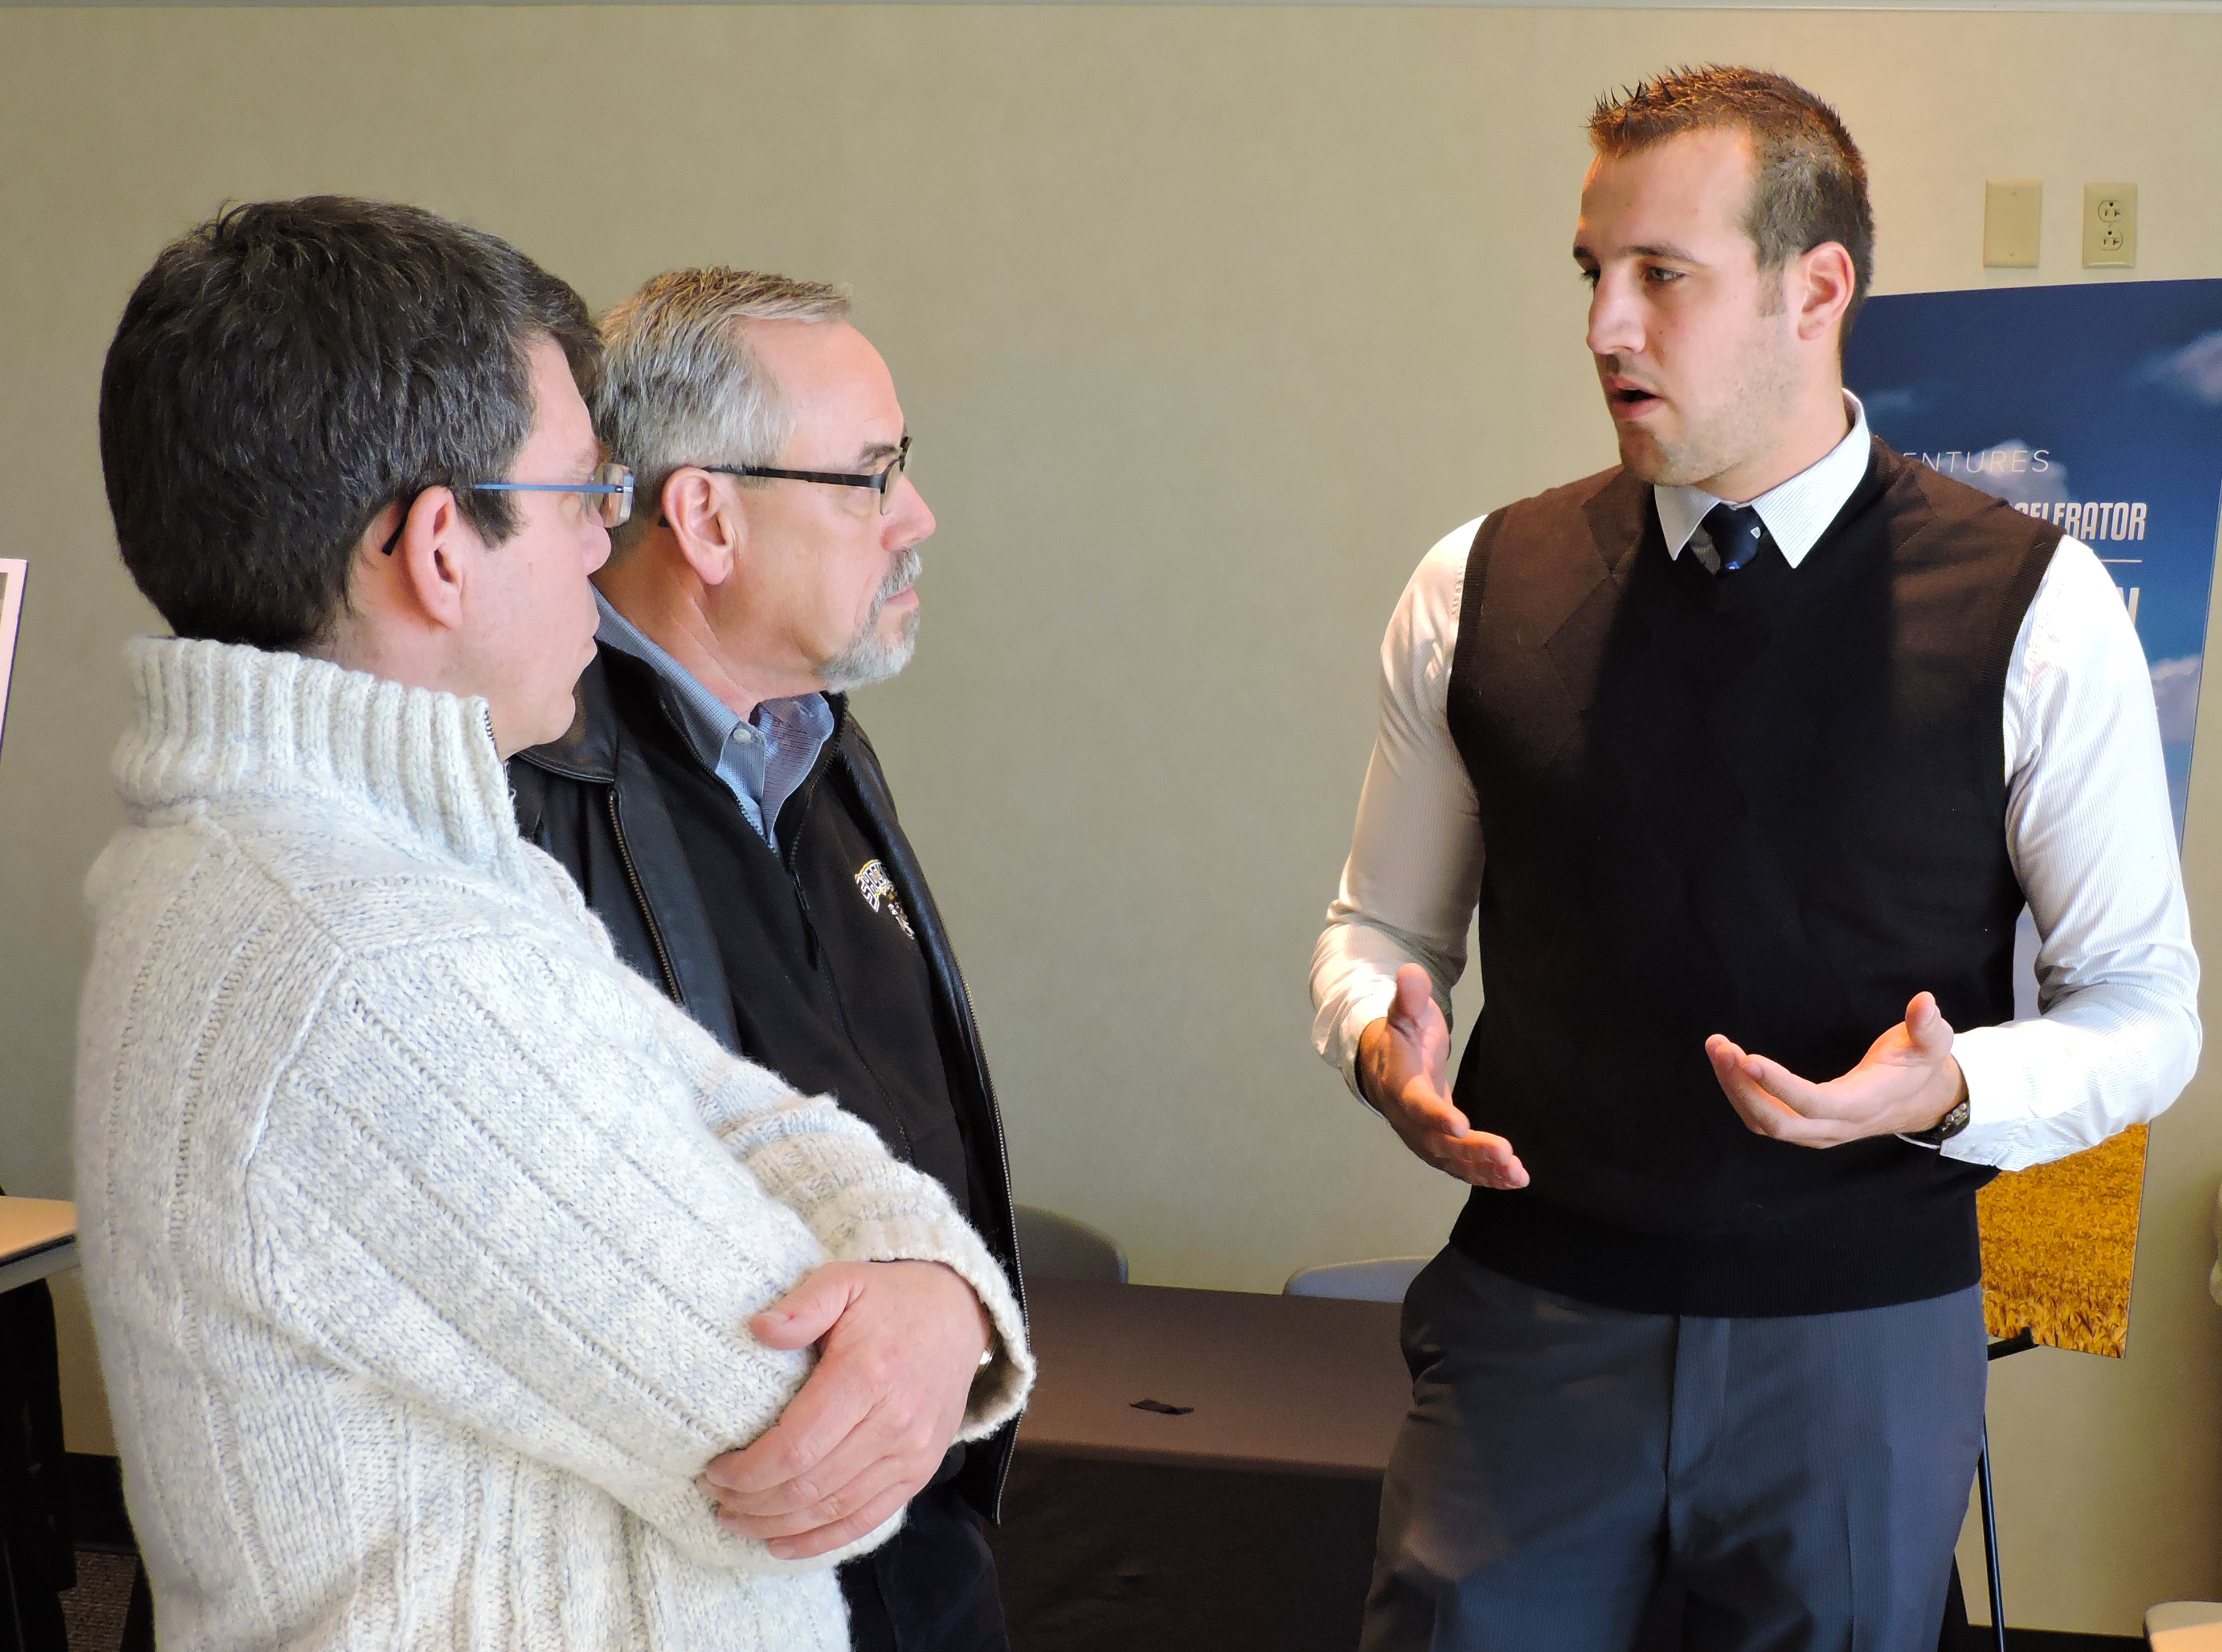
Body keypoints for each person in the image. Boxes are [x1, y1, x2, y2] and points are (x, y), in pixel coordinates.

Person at [1310, 66, 2199, 1651]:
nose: (1603, 326)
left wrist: (1945, 1089)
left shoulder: (2031, 610)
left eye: (1661, 276)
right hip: (1529, 1326)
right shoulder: (1472, 585)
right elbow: (1379, 920)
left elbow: (2142, 1008)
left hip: (1857, 1340)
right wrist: (1379, 1035)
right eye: (1591, 273)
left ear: (1815, 288)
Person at [77, 198, 1032, 1652]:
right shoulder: (371, 959)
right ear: (443, 548)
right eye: (588, 490)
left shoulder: (397, 866)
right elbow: (804, 1416)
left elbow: (751, 1117)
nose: (610, 540)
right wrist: (937, 1300)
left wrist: (930, 1281)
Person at [508, 269, 1021, 1652]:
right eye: (869, 478)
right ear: (709, 515)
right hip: (716, 1566)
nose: (914, 519)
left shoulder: (817, 739)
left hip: (915, 1529)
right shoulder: (522, 791)